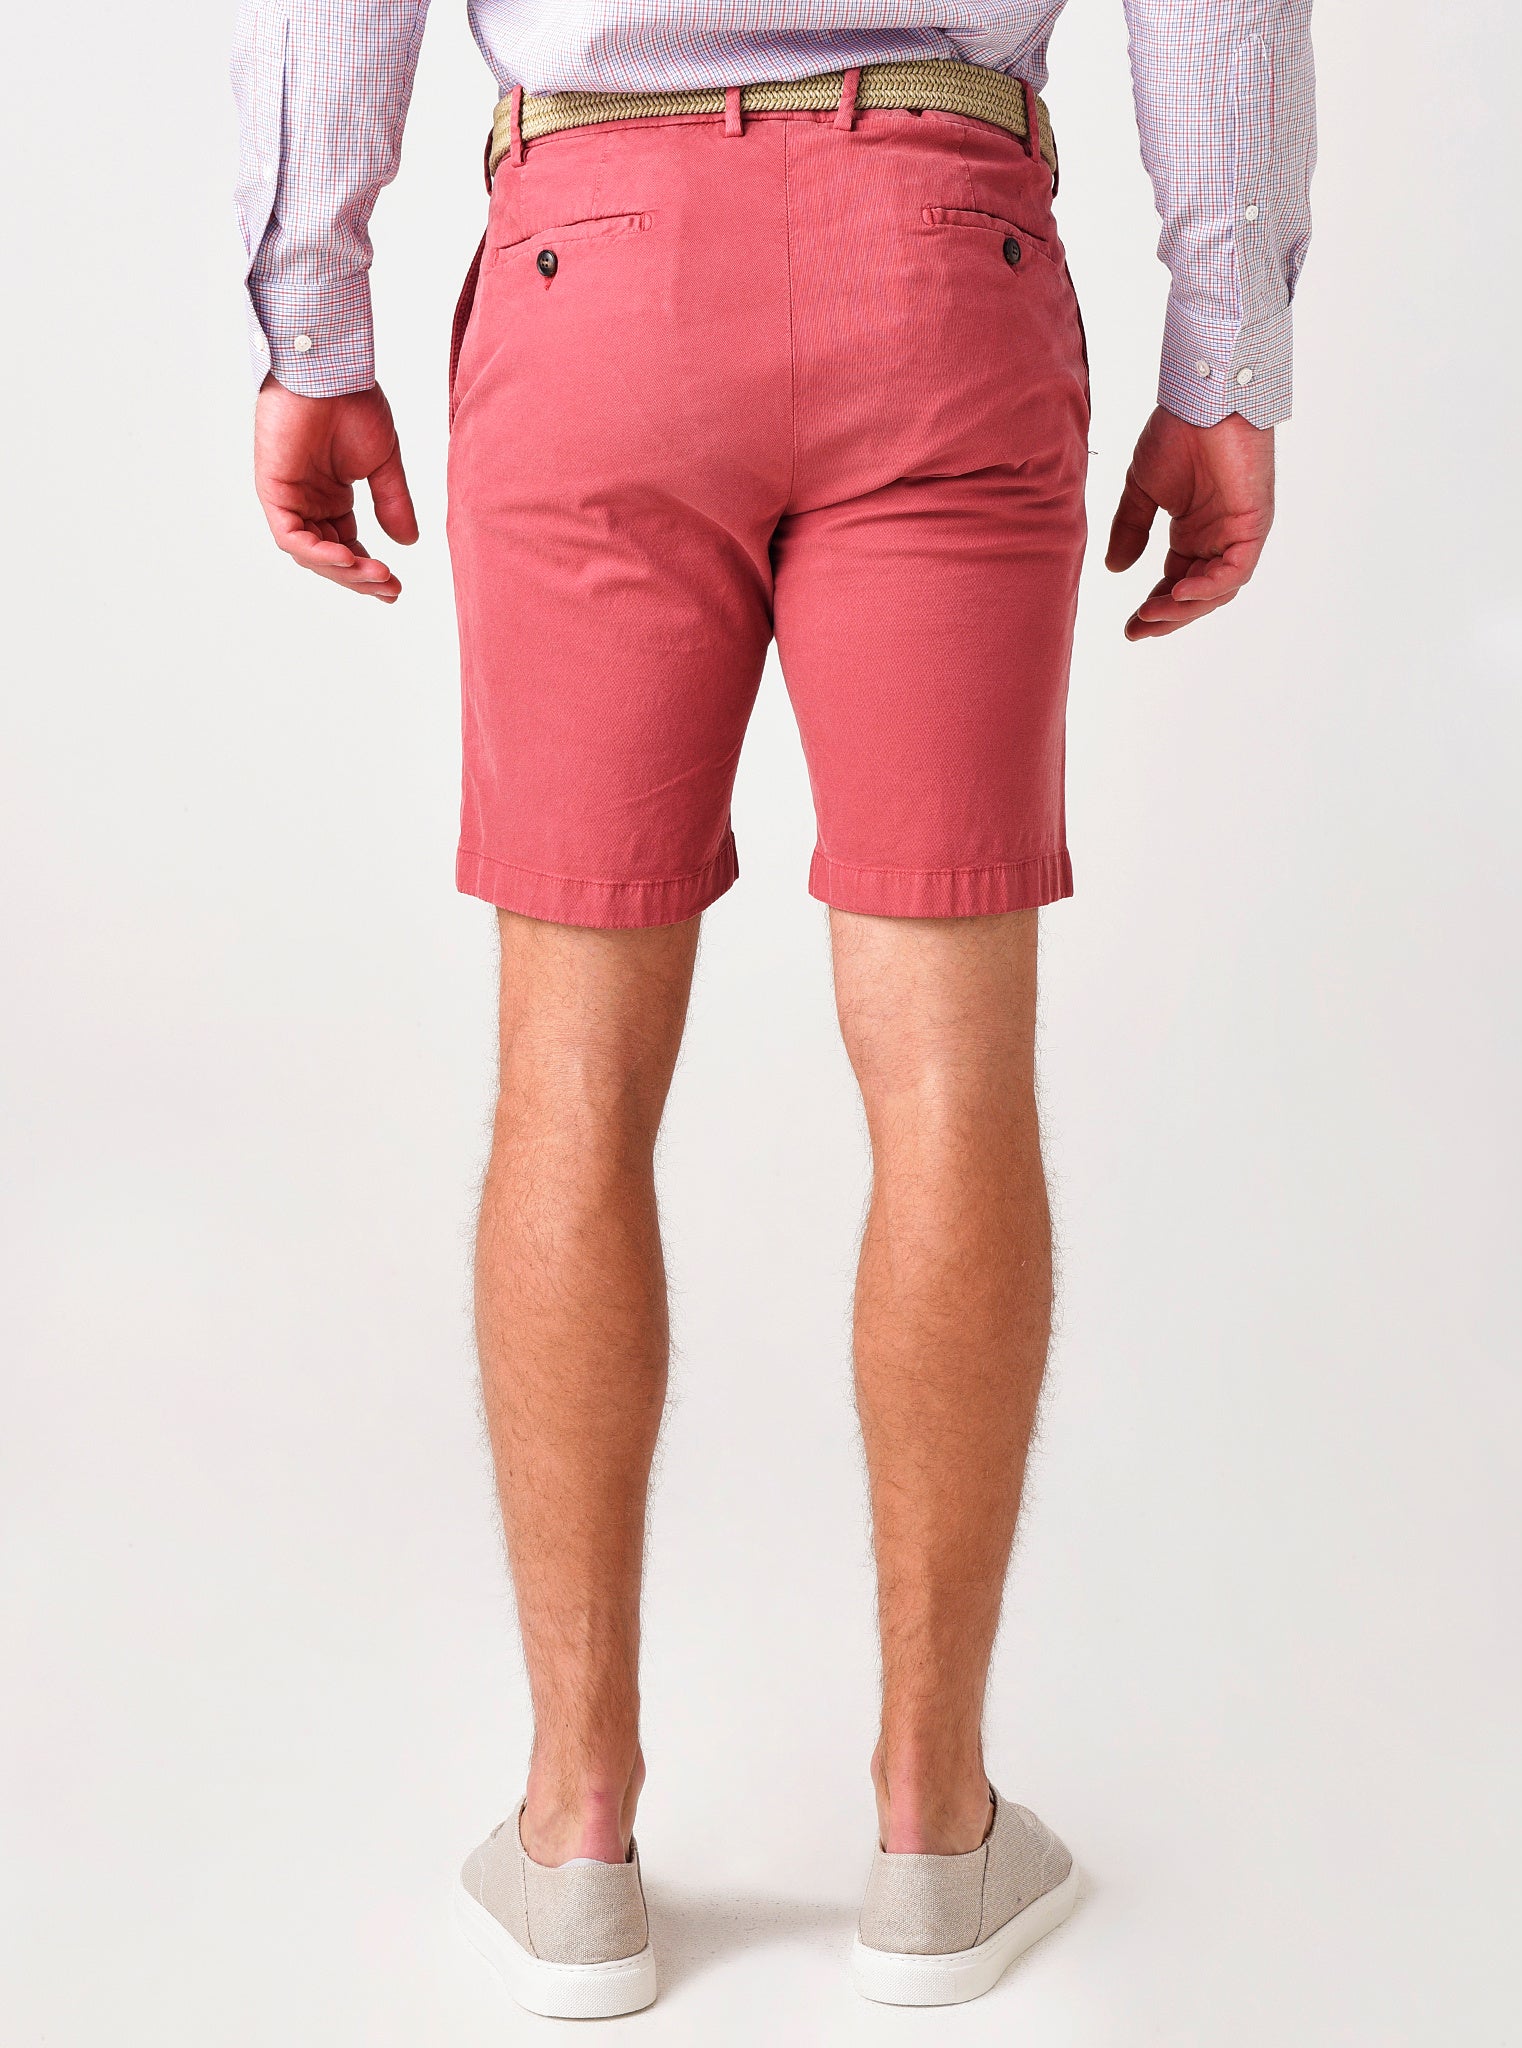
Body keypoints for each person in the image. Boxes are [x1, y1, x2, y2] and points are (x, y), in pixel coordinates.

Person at [234, 2, 1314, 2018]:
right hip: (942, 261)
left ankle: (576, 1836)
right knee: (950, 1073)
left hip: (592, 268)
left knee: (569, 1073)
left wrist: (312, 321)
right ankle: (933, 1832)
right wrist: (1224, 352)